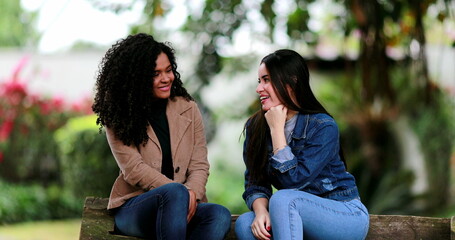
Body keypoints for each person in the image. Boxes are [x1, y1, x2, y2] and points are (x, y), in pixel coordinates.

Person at [91, 33, 231, 239]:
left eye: (168, 70)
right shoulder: (119, 113)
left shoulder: (188, 108)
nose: (166, 78)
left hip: (184, 205)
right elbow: (134, 170)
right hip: (136, 208)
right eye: (155, 74)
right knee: (174, 193)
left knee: (218, 215)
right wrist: (180, 193)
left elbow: (200, 164)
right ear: (137, 78)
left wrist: (191, 193)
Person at [235, 49, 369, 240]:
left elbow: (294, 182)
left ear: (291, 82)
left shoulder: (322, 126)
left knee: (283, 199)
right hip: (293, 214)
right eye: (259, 81)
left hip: (343, 213)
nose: (259, 89)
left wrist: (277, 131)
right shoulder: (256, 127)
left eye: (267, 80)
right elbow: (255, 183)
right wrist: (261, 212)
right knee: (247, 224)